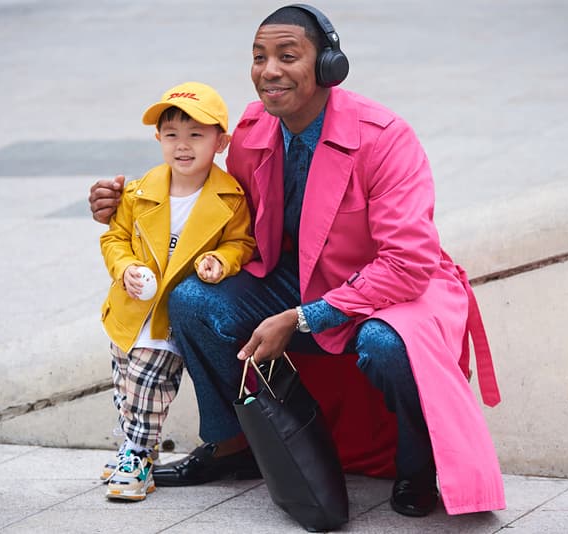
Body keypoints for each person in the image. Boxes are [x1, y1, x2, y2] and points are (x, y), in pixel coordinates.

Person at [90, 4, 505, 517]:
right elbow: (211, 203)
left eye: (288, 56)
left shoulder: (385, 137)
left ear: (329, 66)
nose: (269, 70)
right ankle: (232, 446)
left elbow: (407, 263)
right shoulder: (250, 129)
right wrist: (124, 203)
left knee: (385, 343)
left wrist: (305, 316)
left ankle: (418, 466)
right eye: (259, 56)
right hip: (294, 278)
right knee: (194, 301)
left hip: (390, 289)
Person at [97, 81, 255, 501]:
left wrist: (221, 260)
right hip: (131, 310)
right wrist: (127, 266)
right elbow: (114, 239)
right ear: (158, 139)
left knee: (151, 383)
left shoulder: (229, 197)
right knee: (126, 380)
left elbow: (241, 242)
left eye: (196, 135)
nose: (182, 146)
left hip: (169, 316)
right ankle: (129, 446)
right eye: (172, 135)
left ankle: (139, 455)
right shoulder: (139, 192)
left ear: (221, 141)